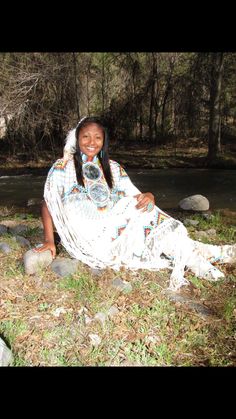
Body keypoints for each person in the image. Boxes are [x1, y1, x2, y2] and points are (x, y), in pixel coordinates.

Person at [35, 116, 236, 290]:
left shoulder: (113, 168)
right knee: (140, 215)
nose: (91, 142)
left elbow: (135, 197)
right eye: (86, 136)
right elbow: (48, 203)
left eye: (97, 137)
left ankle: (200, 257)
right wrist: (49, 241)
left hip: (113, 227)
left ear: (103, 140)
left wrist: (148, 195)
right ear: (77, 138)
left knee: (144, 209)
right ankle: (206, 256)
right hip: (89, 239)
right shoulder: (62, 167)